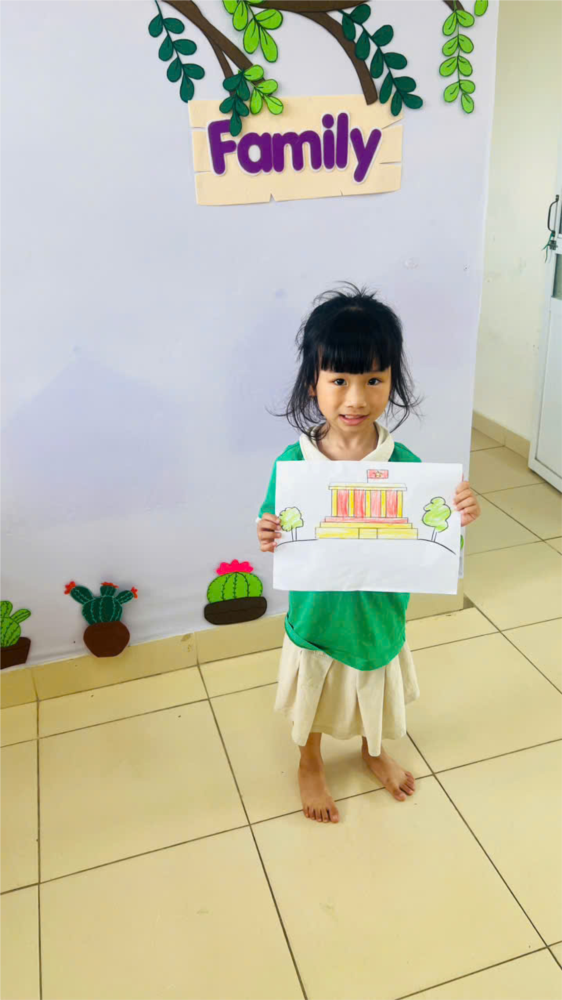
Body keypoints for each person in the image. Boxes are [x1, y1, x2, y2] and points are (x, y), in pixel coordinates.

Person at [257, 286, 481, 825]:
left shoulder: (406, 466)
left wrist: (458, 517)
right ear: (312, 383)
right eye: (339, 380)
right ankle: (309, 761)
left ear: (392, 382)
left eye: (373, 380)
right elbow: (274, 522)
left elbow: (433, 541)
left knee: (373, 686)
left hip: (379, 613)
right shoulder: (295, 463)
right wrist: (268, 530)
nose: (355, 399)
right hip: (317, 615)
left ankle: (373, 750)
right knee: (314, 690)